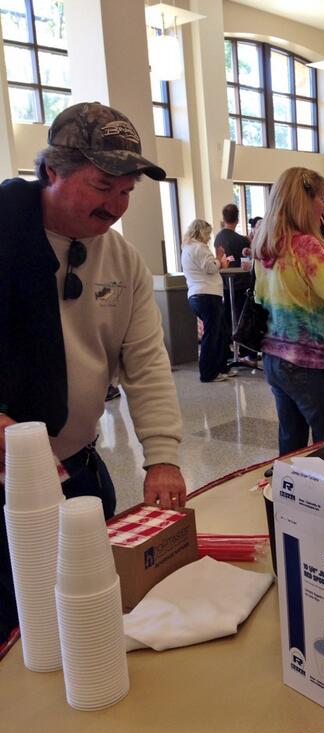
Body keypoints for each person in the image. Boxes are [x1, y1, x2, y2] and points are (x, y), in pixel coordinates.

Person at [0, 101, 187, 643]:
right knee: (18, 633)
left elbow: (147, 363)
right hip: (5, 487)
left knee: (87, 621)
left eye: (127, 191)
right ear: (51, 171)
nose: (117, 206)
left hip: (76, 473)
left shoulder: (122, 260)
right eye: (103, 186)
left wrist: (163, 457)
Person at [253, 167, 324, 456]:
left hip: (275, 357)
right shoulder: (306, 247)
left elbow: (261, 296)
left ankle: (288, 497)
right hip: (309, 361)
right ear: (304, 201)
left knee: (291, 445)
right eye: (321, 197)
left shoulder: (266, 245)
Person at [181, 218, 234, 383]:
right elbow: (210, 268)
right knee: (212, 335)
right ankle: (208, 373)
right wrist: (220, 259)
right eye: (208, 234)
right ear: (202, 232)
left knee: (221, 332)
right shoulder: (200, 248)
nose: (209, 238)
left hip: (197, 295)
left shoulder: (187, 248)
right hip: (207, 296)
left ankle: (220, 367)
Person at [214, 203, 254, 366]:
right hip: (241, 284)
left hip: (224, 284)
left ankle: (232, 349)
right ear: (237, 219)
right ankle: (247, 350)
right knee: (243, 318)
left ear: (223, 219)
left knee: (230, 317)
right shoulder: (242, 240)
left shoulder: (218, 239)